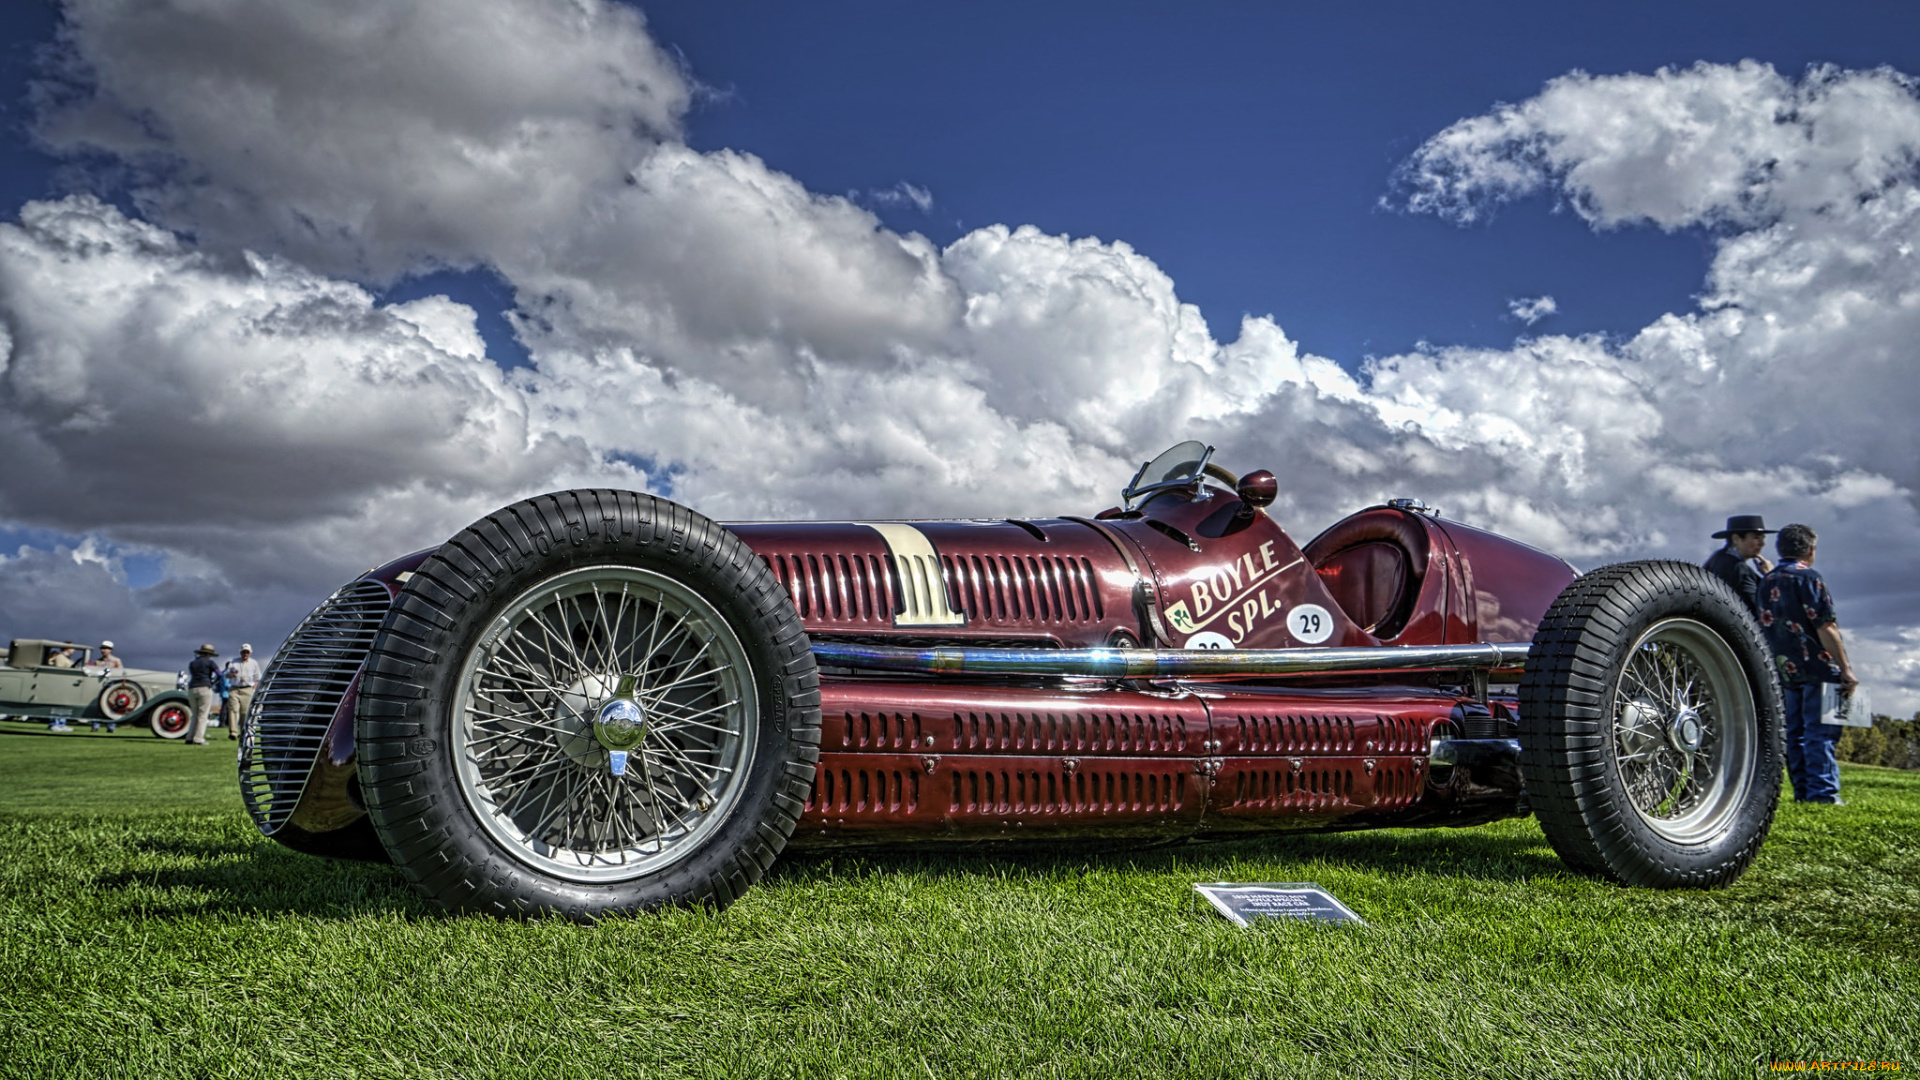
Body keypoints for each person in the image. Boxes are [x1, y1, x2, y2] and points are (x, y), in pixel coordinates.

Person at [1760, 524, 1858, 805]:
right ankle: (1823, 793)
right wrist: (1845, 668)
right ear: (1810, 550)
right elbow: (1825, 626)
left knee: (1794, 733)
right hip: (1817, 665)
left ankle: (1802, 790)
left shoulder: (1767, 581)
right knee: (1820, 732)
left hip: (1783, 666)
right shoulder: (1809, 578)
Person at [1704, 514, 1774, 618]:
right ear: (1736, 539)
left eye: (1762, 538)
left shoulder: (1717, 558)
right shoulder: (1740, 569)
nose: (1762, 543)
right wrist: (1770, 576)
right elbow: (1758, 608)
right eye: (1756, 537)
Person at [222, 644, 262, 741]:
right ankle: (233, 732)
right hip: (234, 688)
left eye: (247, 652)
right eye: (243, 652)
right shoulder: (233, 662)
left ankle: (244, 732)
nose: (245, 654)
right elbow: (226, 675)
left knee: (245, 712)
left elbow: (257, 678)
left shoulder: (254, 663)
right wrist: (232, 674)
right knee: (233, 710)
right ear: (240, 652)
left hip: (247, 689)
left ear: (250, 653)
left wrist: (254, 688)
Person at [185, 643, 221, 746]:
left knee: (195, 714)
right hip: (205, 687)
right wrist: (213, 682)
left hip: (192, 688)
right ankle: (198, 738)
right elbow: (219, 674)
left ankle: (189, 737)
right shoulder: (210, 663)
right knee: (203, 715)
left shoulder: (193, 663)